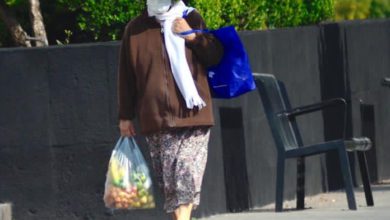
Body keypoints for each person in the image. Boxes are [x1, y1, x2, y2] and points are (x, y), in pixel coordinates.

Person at [117, 0, 223, 220]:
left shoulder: (191, 17)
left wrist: (193, 37)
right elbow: (126, 77)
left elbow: (214, 56)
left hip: (193, 117)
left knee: (185, 177)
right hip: (156, 120)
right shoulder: (135, 29)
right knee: (171, 189)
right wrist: (125, 116)